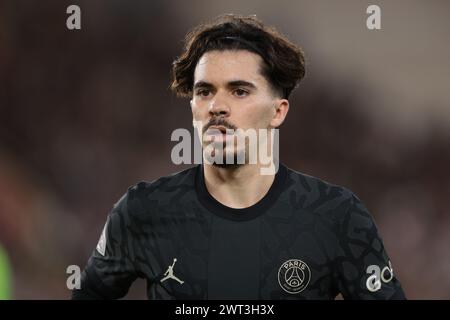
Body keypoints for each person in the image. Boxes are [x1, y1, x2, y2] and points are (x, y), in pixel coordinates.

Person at [72, 14, 405, 300]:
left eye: (239, 91)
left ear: (278, 111)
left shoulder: (337, 216)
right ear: (193, 109)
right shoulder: (142, 210)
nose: (217, 105)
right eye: (204, 91)